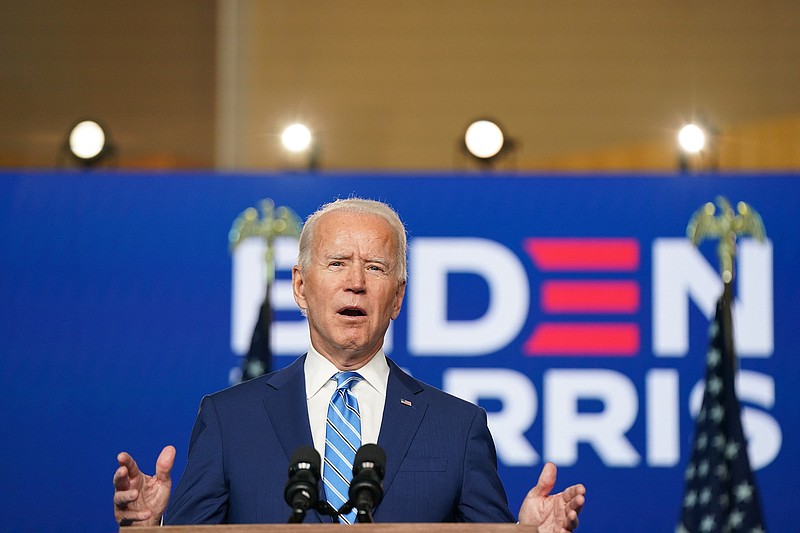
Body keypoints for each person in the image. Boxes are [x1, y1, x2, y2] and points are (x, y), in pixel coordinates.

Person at [114, 198, 586, 530]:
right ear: (300, 287)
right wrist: (152, 526)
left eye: (376, 268)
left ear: (397, 297)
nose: (356, 282)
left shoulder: (457, 428)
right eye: (337, 263)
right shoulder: (228, 418)